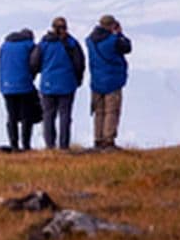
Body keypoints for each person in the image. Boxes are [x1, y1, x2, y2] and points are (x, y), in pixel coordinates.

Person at [30, 16, 85, 150]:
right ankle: (64, 146)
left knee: (48, 116)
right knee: (65, 116)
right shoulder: (72, 44)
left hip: (48, 84)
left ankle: (50, 145)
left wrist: (37, 74)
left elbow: (34, 63)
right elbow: (79, 64)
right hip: (67, 84)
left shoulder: (44, 43)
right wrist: (77, 80)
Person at [86, 14, 133, 149]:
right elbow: (127, 47)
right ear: (111, 25)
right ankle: (108, 140)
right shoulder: (114, 41)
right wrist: (119, 34)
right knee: (112, 111)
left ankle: (98, 139)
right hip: (112, 81)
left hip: (96, 81)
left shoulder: (90, 41)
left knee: (99, 112)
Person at [0, 27, 42, 151]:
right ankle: (26, 144)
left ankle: (13, 144)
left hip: (7, 86)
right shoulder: (29, 45)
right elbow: (35, 64)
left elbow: (0, 65)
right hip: (24, 85)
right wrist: (31, 76)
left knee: (11, 116)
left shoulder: (4, 46)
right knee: (26, 116)